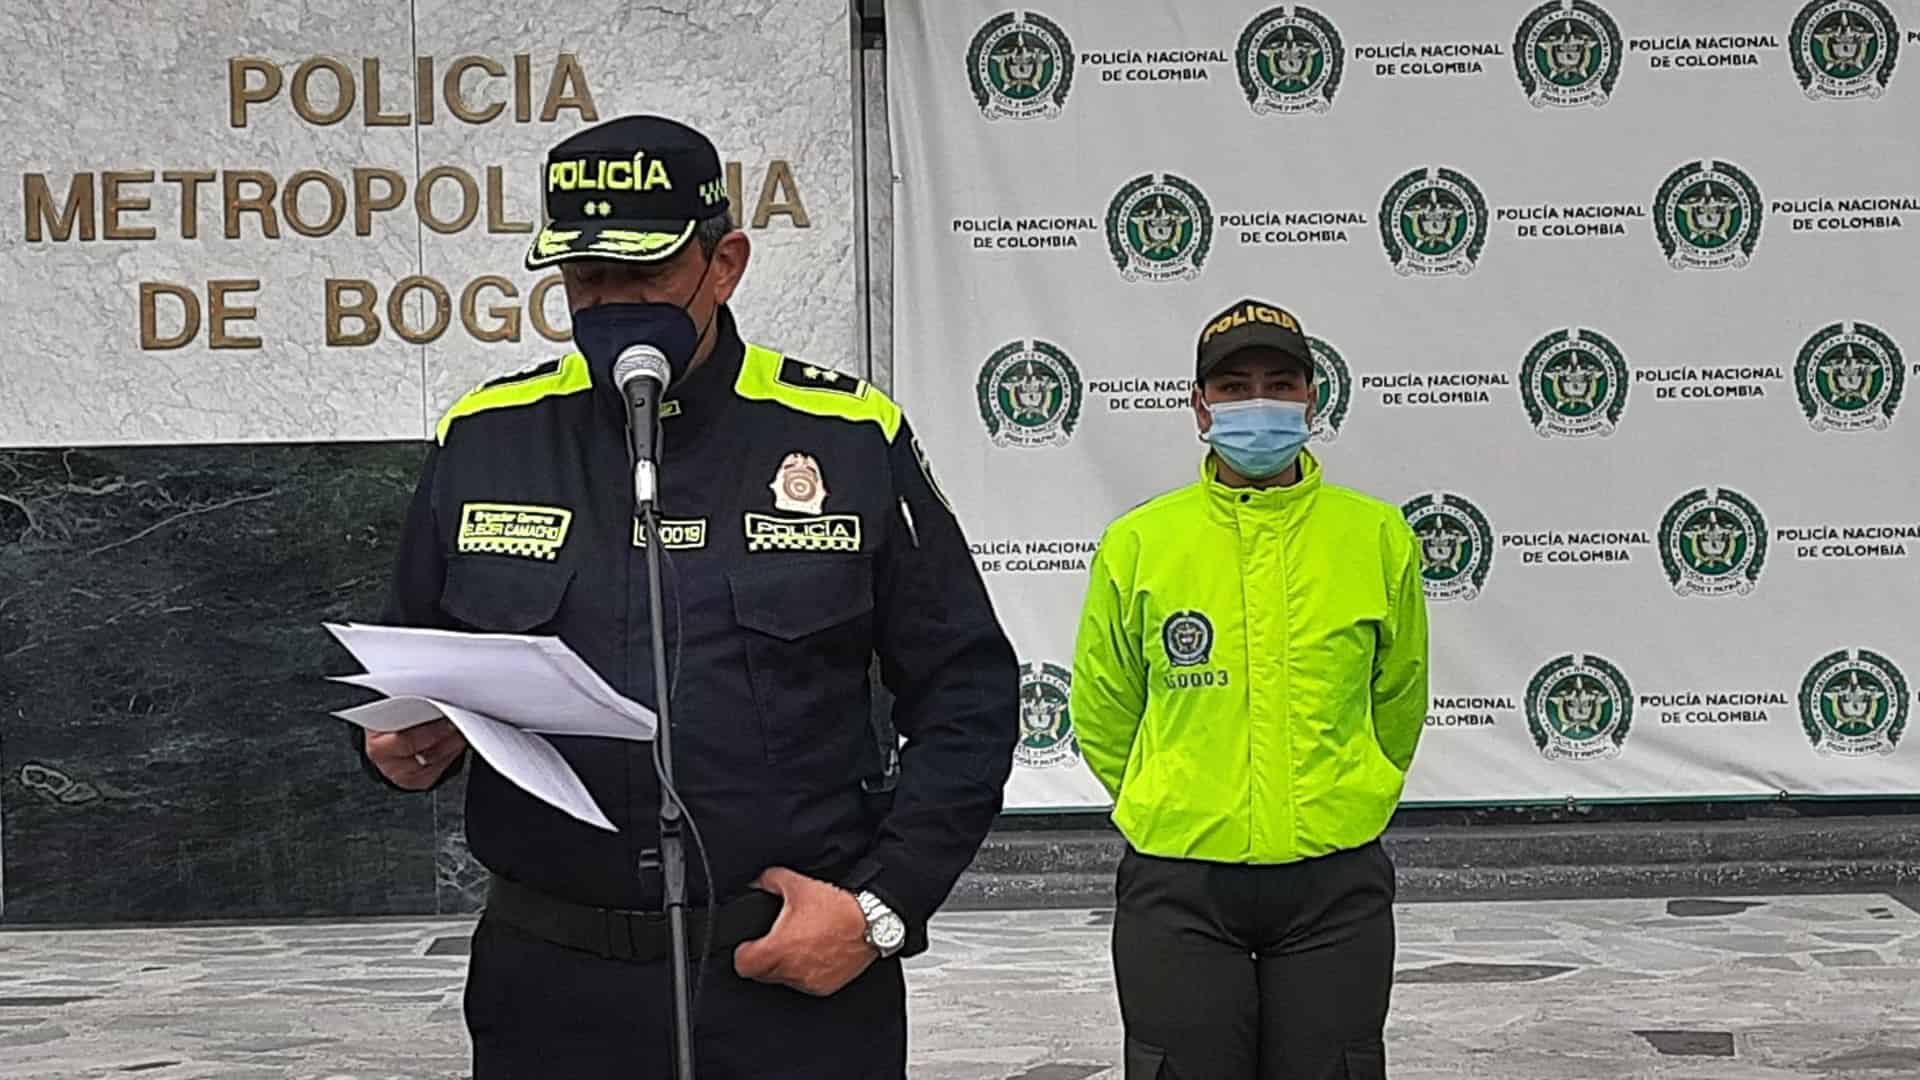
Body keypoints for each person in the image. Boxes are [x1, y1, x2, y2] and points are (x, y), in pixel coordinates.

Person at [355, 114, 1019, 1079]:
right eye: (588, 280)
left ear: (725, 264)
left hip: (789, 975)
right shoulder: (489, 437)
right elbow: (405, 666)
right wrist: (394, 747)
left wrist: (881, 908)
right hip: (550, 988)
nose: (614, 305)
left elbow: (967, 693)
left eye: (646, 275)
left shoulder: (845, 436)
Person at [1070, 299, 1430, 1080]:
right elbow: (1103, 709)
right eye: (1234, 388)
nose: (1257, 404)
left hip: (1334, 883)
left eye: (1280, 384)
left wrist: (1352, 787)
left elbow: (1399, 697)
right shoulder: (1140, 543)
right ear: (1200, 407)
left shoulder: (1377, 536)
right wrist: (1176, 793)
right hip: (1180, 882)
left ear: (1312, 399)